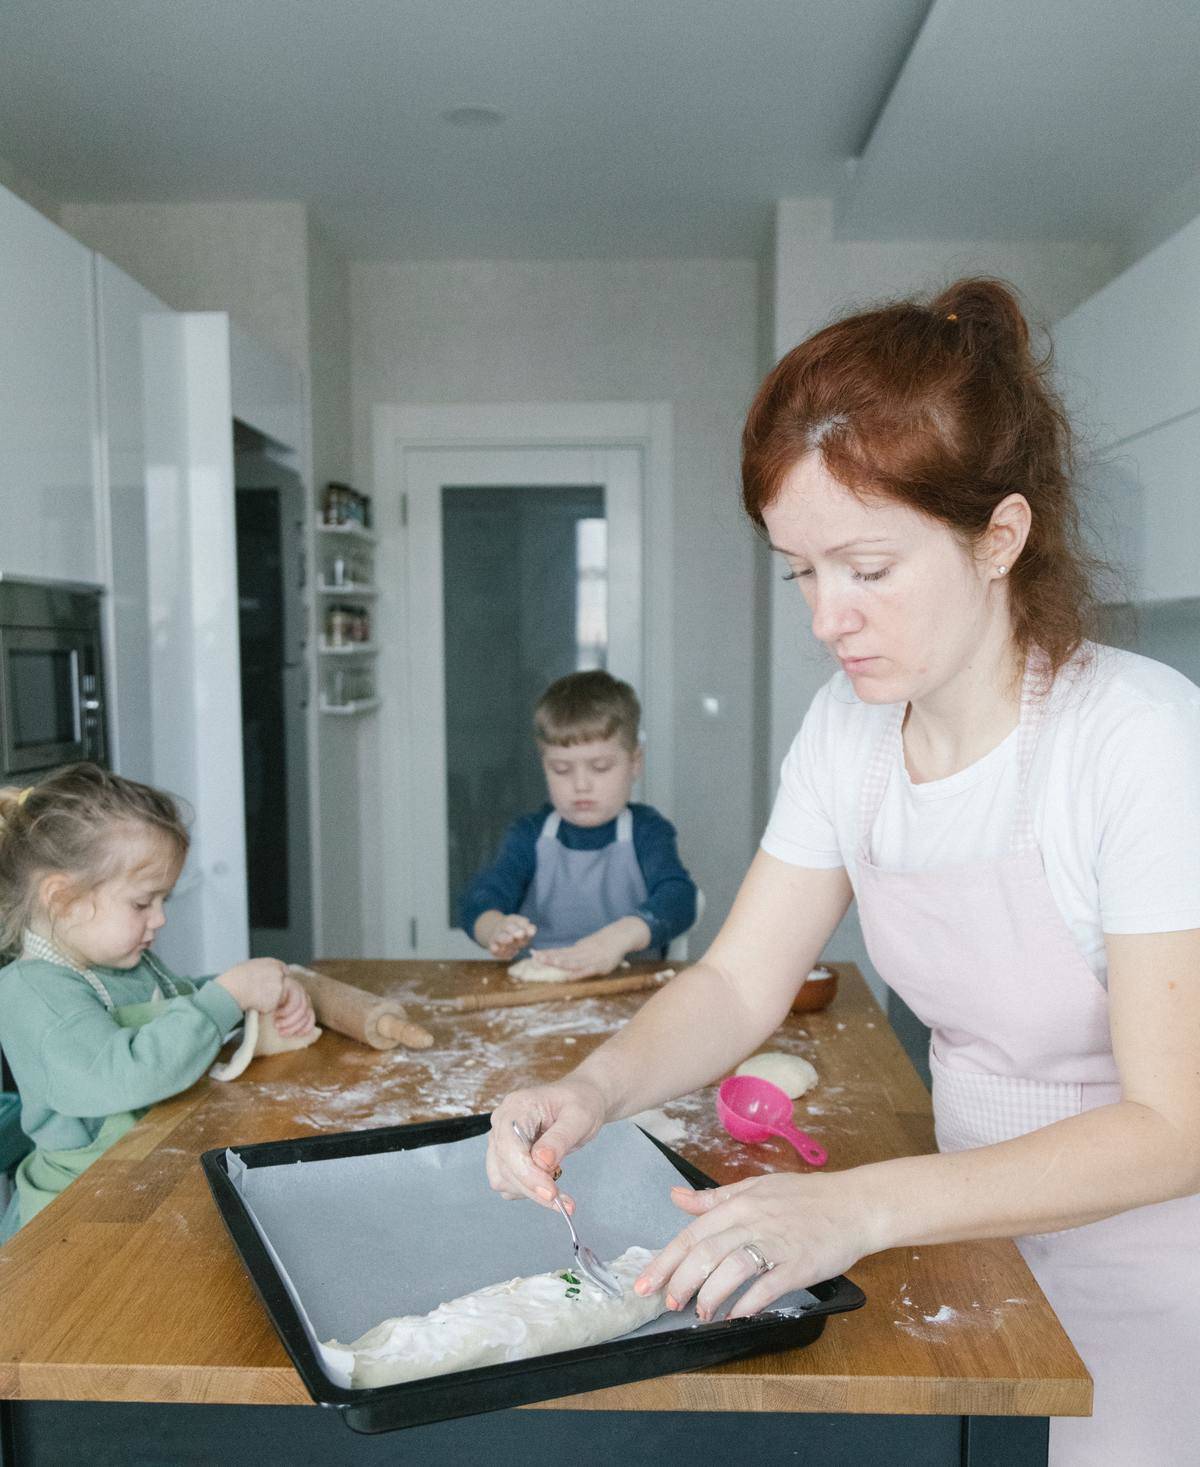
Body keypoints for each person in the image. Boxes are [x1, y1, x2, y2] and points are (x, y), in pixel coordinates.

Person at [484, 279, 1200, 1465]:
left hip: (1157, 1266)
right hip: (968, 1225)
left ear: (1000, 537)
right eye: (801, 571)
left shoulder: (1136, 738)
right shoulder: (849, 730)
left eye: (867, 567)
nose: (827, 618)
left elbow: (1175, 1126)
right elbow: (737, 982)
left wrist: (858, 1205)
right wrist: (593, 1092)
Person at [0, 763, 315, 1241]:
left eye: (164, 900)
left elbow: (179, 1005)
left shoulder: (122, 964)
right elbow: (124, 1075)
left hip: (140, 1182)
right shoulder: (34, 993)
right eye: (143, 903)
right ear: (62, 899)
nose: (161, 919)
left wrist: (250, 993)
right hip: (76, 1219)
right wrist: (227, 996)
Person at [460, 669, 697, 977]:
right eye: (561, 769)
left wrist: (621, 936)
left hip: (631, 984)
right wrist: (495, 928)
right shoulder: (529, 835)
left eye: (600, 767)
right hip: (541, 990)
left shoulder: (648, 832)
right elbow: (479, 899)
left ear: (634, 763)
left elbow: (680, 899)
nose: (581, 785)